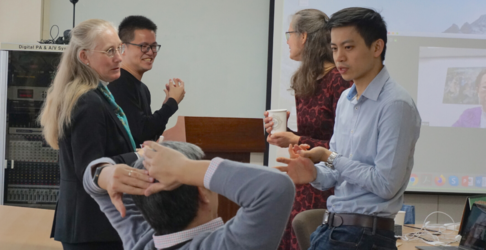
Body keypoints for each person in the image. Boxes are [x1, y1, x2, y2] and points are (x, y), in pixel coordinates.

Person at [275, 7, 421, 249]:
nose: (339, 57)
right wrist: (313, 173)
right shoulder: (346, 100)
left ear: (377, 47)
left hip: (364, 236)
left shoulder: (396, 105)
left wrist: (329, 157)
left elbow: (386, 185)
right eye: (334, 48)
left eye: (348, 47)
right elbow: (334, 174)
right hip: (331, 229)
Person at [39, 19, 145, 250]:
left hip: (93, 226)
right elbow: (90, 169)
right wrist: (138, 156)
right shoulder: (88, 102)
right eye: (110, 51)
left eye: (119, 48)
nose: (119, 57)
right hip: (92, 228)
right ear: (84, 57)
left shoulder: (97, 95)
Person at [82, 141, 295, 250]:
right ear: (203, 191)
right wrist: (184, 168)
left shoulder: (142, 238)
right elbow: (275, 187)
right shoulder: (227, 244)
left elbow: (94, 183)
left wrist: (105, 173)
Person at [263, 9, 351, 250]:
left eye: (289, 33)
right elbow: (311, 138)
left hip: (329, 184)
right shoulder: (305, 79)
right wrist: (286, 135)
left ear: (303, 37)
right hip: (303, 182)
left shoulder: (339, 81)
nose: (287, 40)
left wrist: (297, 137)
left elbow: (343, 147)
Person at [108, 15, 185, 147]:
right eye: (143, 46)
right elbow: (141, 133)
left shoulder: (143, 89)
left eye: (154, 46)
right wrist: (171, 104)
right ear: (122, 48)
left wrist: (166, 104)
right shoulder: (118, 83)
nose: (150, 52)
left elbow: (149, 135)